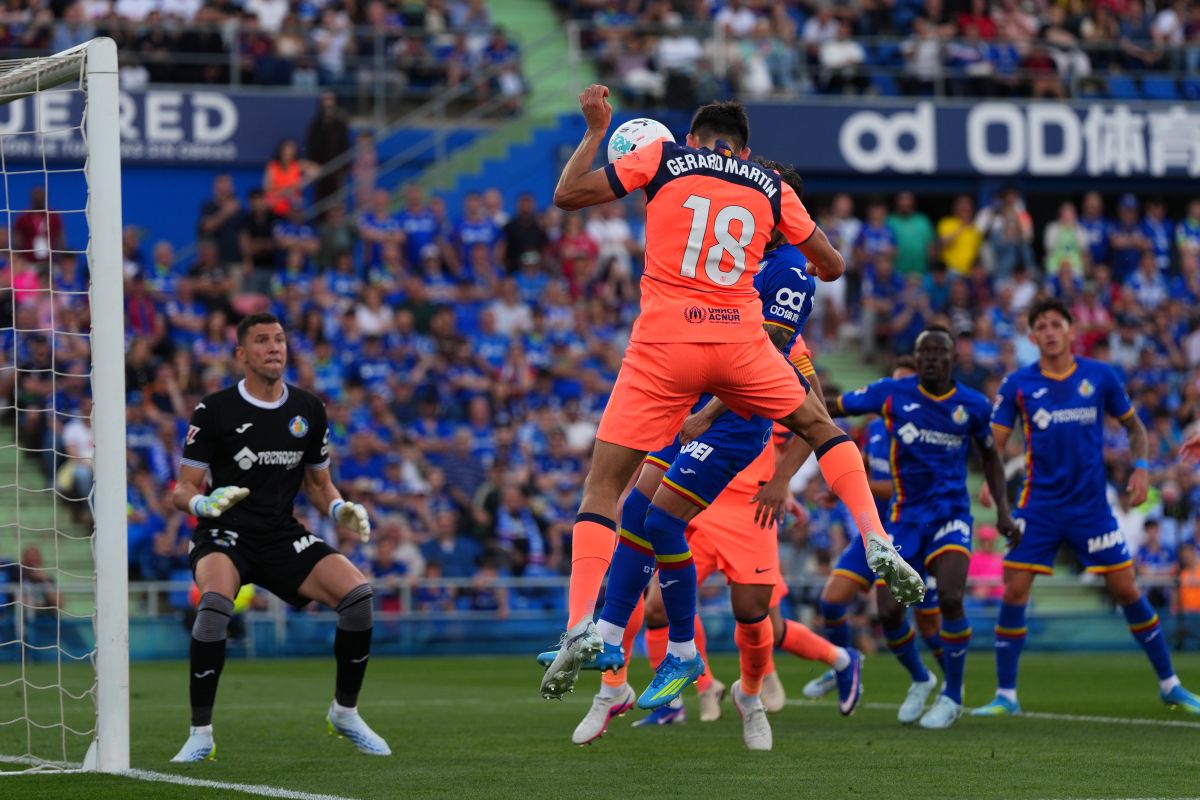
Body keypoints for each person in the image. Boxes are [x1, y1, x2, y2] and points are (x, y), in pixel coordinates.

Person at [539, 87, 922, 703]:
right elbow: (832, 264)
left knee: (606, 488)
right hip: (741, 347)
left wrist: (595, 130)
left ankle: (584, 625)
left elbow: (567, 196)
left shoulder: (662, 157)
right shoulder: (769, 185)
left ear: (692, 140)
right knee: (822, 428)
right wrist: (785, 228)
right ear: (745, 149)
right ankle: (877, 537)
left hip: (665, 349)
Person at [549, 161, 859, 748]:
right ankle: (614, 675)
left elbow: (794, 384)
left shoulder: (789, 272)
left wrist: (783, 479)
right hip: (686, 425)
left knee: (754, 615)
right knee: (644, 534)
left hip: (743, 474)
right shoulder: (724, 266)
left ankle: (752, 693)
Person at [169, 312, 391, 762]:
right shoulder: (215, 409)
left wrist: (337, 508)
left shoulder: (309, 409)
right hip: (224, 531)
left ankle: (344, 712)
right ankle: (200, 733)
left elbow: (317, 483)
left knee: (359, 597)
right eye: (263, 341)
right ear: (242, 355)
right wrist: (201, 505)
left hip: (280, 534)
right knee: (213, 608)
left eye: (280, 340)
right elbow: (182, 488)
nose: (275, 347)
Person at [973, 298, 1200, 717]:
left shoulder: (1100, 376)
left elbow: (1134, 427)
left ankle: (1171, 684)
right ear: (1031, 336)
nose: (1050, 331)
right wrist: (994, 481)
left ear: (1072, 330)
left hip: (1091, 508)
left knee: (1127, 589)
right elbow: (994, 443)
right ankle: (1006, 694)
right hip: (1038, 508)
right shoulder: (1018, 384)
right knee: (1015, 589)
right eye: (1041, 326)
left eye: (1057, 323)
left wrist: (1142, 469)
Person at [818, 327, 1017, 728]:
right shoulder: (893, 393)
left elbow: (992, 459)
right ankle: (921, 678)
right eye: (923, 351)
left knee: (950, 596)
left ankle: (953, 696)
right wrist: (780, 400)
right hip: (905, 520)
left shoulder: (974, 406)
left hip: (951, 517)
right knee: (889, 612)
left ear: (952, 360)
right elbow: (833, 406)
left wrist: (1003, 511)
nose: (930, 358)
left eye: (938, 352)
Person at [803, 358, 946, 701]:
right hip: (876, 533)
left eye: (906, 385)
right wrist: (839, 485)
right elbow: (867, 465)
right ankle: (844, 665)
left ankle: (941, 683)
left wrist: (857, 482)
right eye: (893, 383)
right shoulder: (878, 428)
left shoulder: (924, 435)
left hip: (911, 529)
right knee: (831, 602)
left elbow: (905, 489)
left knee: (913, 618)